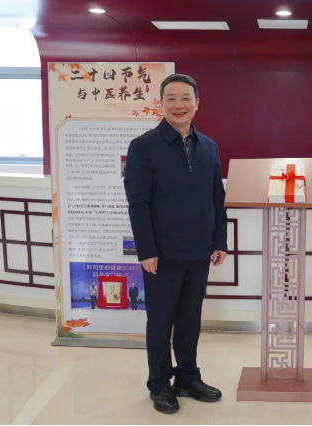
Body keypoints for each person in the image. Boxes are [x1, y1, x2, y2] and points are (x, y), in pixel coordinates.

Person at [124, 73, 228, 414]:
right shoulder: (143, 146)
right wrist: (146, 250)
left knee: (189, 319)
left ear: (197, 103)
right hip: (162, 254)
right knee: (160, 321)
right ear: (162, 103)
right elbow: (138, 203)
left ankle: (187, 377)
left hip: (199, 250)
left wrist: (220, 240)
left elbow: (216, 198)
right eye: (171, 98)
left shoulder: (208, 146)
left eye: (186, 98)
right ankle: (159, 384)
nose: (178, 105)